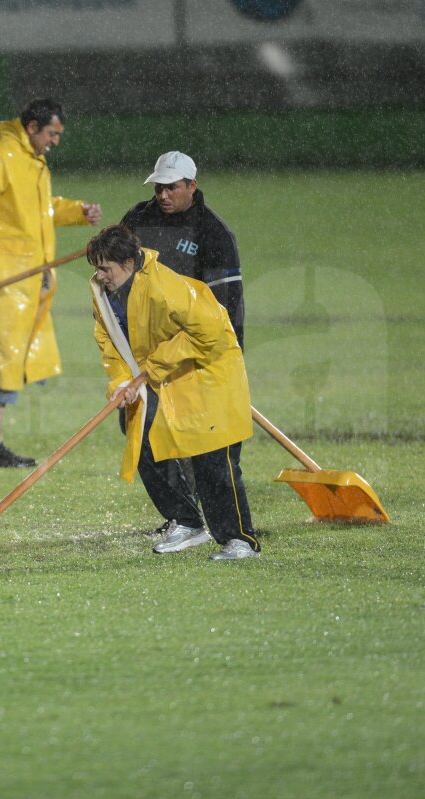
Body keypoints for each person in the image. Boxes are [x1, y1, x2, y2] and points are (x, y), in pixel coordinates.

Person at [87, 224, 259, 560]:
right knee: (141, 436)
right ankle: (186, 520)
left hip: (207, 372)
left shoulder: (165, 286)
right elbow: (108, 339)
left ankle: (240, 539)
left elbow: (210, 332)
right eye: (96, 268)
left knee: (212, 459)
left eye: (105, 268)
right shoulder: (101, 292)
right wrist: (121, 380)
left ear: (128, 263)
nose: (100, 275)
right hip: (161, 378)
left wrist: (153, 366)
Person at [0, 98, 102, 467]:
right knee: (6, 363)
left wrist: (76, 212)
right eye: (52, 133)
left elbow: (37, 210)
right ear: (32, 127)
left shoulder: (30, 158)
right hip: (1, 280)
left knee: (26, 363)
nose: (55, 142)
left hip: (30, 278)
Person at [119, 151, 246, 552]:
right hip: (147, 354)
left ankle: (235, 534)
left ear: (192, 185)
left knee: (210, 449)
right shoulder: (136, 221)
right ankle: (185, 519)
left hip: (196, 353)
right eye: (159, 186)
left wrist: (223, 360)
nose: (163, 194)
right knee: (141, 432)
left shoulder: (214, 233)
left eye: (172, 186)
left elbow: (226, 306)